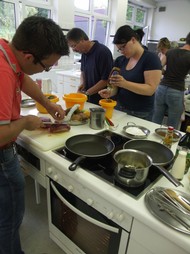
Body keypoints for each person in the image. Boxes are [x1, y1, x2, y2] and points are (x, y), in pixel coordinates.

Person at [0, 16, 69, 254]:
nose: (46, 70)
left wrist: (48, 104)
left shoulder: (7, 51)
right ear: (29, 57)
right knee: (8, 218)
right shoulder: (3, 75)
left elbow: (24, 78)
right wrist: (24, 122)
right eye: (46, 66)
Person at [98, 25, 162, 121]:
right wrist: (110, 92)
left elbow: (150, 89)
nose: (122, 51)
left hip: (140, 112)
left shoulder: (151, 59)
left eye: (123, 47)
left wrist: (125, 83)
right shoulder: (120, 60)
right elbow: (117, 86)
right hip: (119, 108)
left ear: (133, 40)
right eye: (119, 49)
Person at [152, 32, 190, 129]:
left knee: (155, 122)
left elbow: (159, 68)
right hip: (176, 91)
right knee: (171, 127)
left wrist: (169, 72)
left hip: (161, 89)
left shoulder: (170, 52)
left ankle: (149, 143)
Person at [66, 28, 113, 105]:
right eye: (71, 47)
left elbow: (106, 80)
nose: (73, 50)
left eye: (74, 46)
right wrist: (82, 83)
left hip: (101, 100)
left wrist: (87, 93)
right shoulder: (84, 53)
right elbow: (83, 71)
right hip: (89, 98)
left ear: (82, 40)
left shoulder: (102, 52)